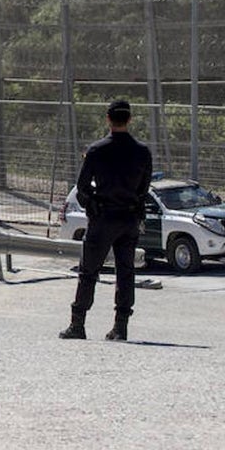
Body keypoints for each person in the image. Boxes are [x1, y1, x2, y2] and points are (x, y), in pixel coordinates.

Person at [59, 99, 153, 342]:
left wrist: (93, 207)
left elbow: (81, 188)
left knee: (88, 271)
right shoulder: (142, 152)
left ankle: (77, 325)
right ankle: (120, 327)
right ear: (129, 119)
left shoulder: (97, 150)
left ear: (108, 119)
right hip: (129, 218)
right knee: (125, 272)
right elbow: (144, 188)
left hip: (103, 219)